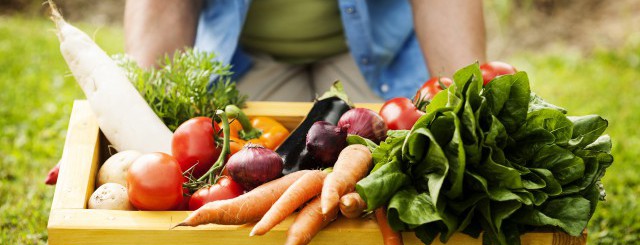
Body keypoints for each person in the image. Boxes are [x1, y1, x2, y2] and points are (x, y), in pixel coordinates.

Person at [124, 0, 486, 102]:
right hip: (245, 54)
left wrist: (470, 106)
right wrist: (141, 111)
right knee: (237, 170)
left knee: (404, 166)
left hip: (377, 52)